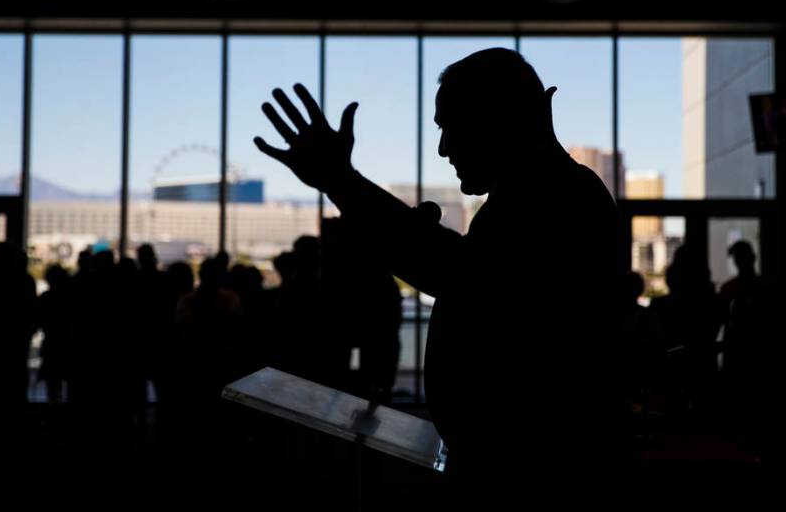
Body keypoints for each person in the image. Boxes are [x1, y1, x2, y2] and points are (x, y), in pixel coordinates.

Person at [255, 48, 627, 488]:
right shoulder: (554, 194)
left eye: (453, 126)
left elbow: (464, 279)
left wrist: (342, 181)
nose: (443, 147)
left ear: (501, 118)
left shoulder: (555, 198)